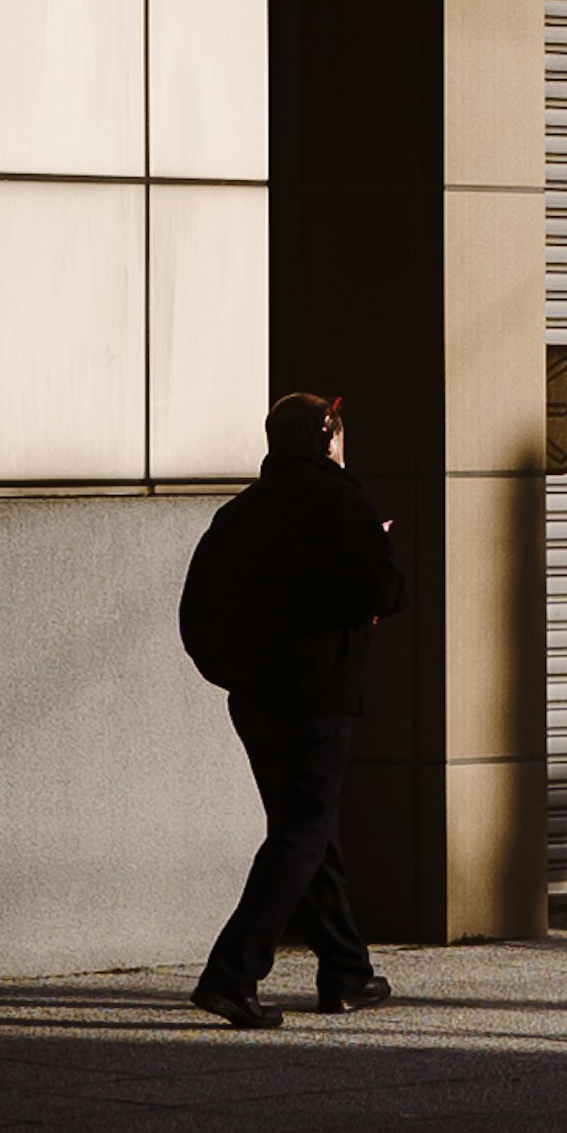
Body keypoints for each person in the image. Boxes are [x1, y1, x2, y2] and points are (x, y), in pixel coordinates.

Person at [183, 389, 408, 1025]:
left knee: (307, 832)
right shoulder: (343, 502)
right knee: (305, 832)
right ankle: (231, 972)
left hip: (257, 699)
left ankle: (347, 971)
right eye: (339, 431)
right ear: (325, 436)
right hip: (319, 695)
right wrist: (378, 545)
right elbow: (385, 592)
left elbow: (199, 608)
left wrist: (231, 673)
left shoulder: (243, 512)